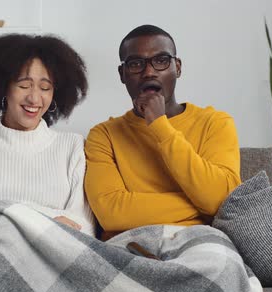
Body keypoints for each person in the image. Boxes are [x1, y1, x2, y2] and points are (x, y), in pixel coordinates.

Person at [84, 25, 241, 240]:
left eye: (161, 61)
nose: (149, 72)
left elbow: (221, 198)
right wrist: (202, 206)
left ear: (177, 67)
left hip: (199, 240)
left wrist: (160, 126)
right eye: (136, 64)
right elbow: (111, 213)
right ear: (122, 74)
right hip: (128, 245)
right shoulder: (104, 135)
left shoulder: (215, 123)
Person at [0, 34, 95, 243]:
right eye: (24, 86)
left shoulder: (72, 145)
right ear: (2, 87)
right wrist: (50, 219)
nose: (34, 98)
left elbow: (83, 228)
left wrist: (1, 215)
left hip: (55, 261)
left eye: (45, 88)